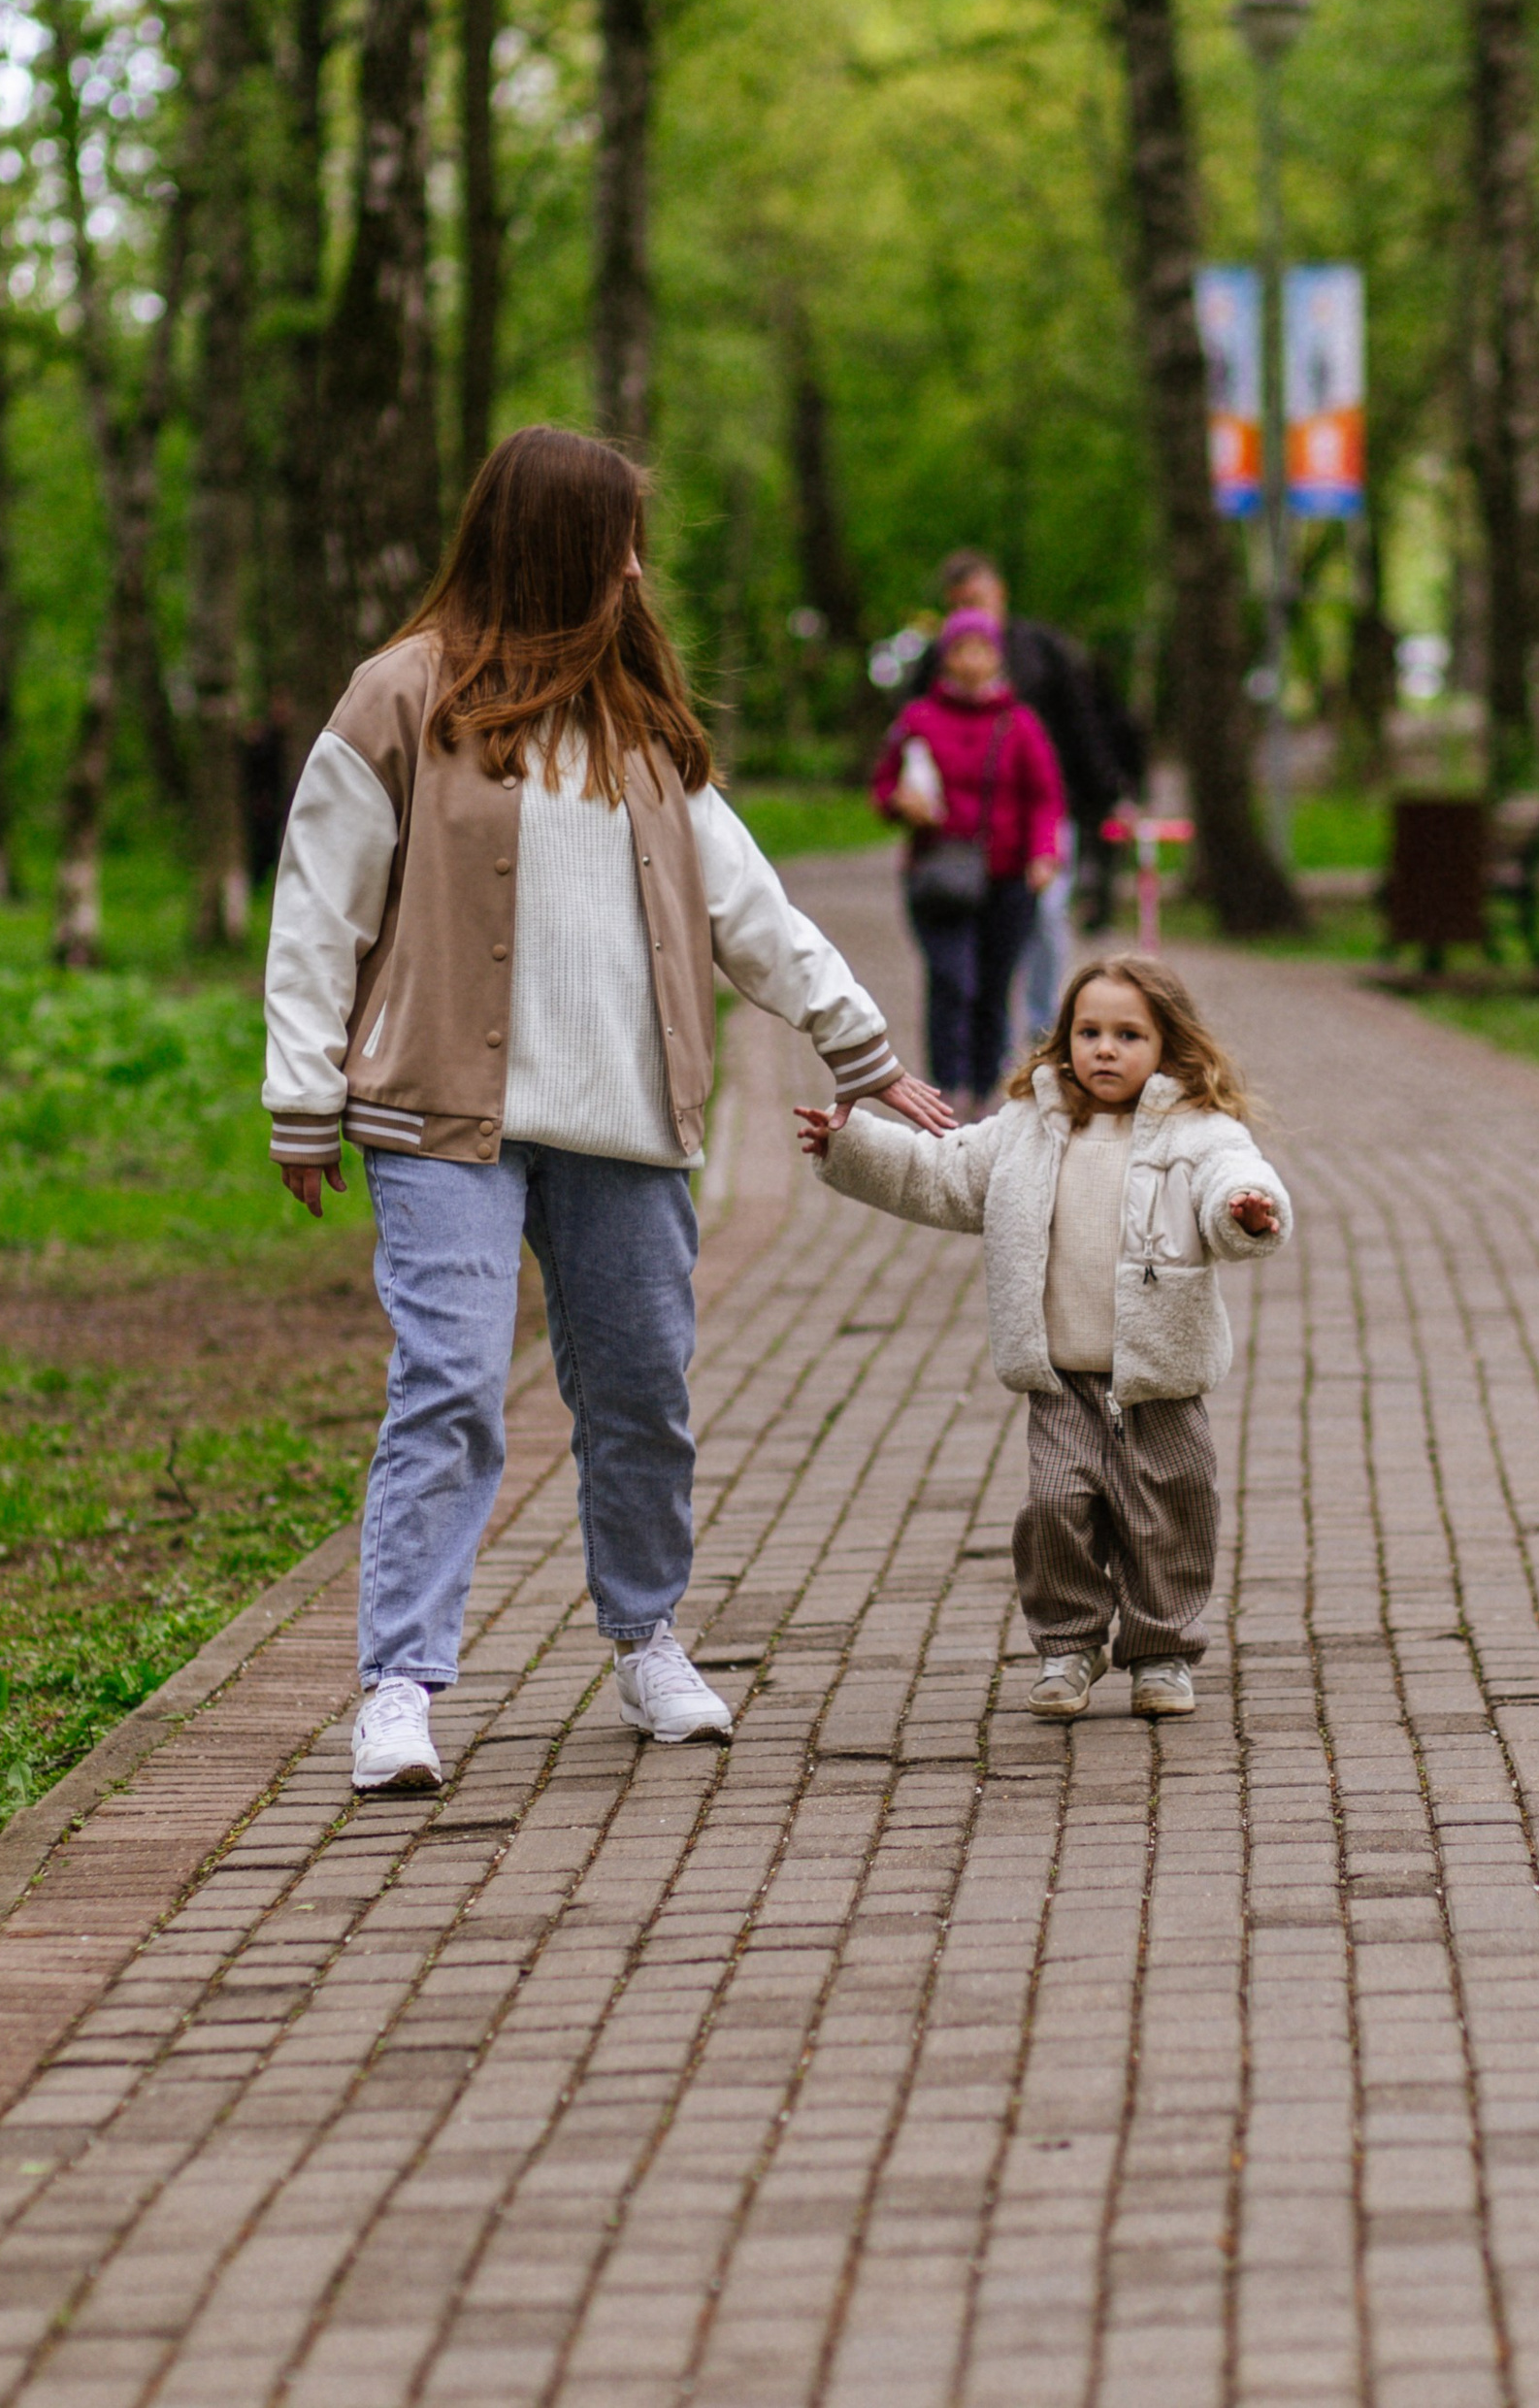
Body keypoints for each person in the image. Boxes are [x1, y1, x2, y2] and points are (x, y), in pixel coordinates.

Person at [263, 425, 952, 1798]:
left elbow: (750, 909)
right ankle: (400, 1683)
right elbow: (318, 901)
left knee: (640, 1392)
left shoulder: (641, 726)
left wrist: (857, 1044)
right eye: (618, 542)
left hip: (628, 1121)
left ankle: (646, 1639)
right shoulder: (401, 697)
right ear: (555, 545)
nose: (635, 568)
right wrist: (302, 1091)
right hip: (437, 1112)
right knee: (450, 1386)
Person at [795, 955, 1290, 1721]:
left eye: (1129, 1035)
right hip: (1063, 1379)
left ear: (1168, 1043)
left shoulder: (1199, 1131)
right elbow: (942, 1173)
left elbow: (1234, 1180)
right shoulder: (1029, 1127)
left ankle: (1162, 1652)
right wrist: (851, 1145)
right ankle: (1069, 1643)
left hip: (1160, 1379)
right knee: (1054, 1508)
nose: (1105, 1049)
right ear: (1063, 1039)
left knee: (1170, 1518)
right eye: (1089, 1032)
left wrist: (1247, 1210)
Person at [913, 551, 1148, 971]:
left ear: (999, 593)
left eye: (976, 600)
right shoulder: (937, 661)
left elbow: (1082, 725)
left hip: (1047, 808)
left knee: (1046, 918)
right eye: (959, 604)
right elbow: (909, 738)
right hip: (964, 830)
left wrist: (1112, 793)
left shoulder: (1043, 650)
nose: (970, 612)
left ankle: (1043, 1010)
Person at [876, 608, 1065, 1114]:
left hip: (1008, 880)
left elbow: (1046, 798)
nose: (972, 660)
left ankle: (985, 1089)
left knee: (993, 987)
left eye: (982, 649)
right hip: (940, 876)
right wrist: (901, 802)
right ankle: (948, 1087)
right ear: (946, 658)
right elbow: (883, 787)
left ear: (997, 658)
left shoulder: (1020, 725)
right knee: (951, 980)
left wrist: (1044, 854)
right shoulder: (918, 720)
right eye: (962, 649)